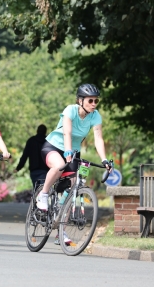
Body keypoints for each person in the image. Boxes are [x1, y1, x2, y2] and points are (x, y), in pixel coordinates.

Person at [36, 84, 112, 243]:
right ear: (80, 100)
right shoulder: (70, 110)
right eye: (90, 100)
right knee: (57, 166)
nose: (93, 104)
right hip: (55, 146)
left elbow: (98, 138)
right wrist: (68, 151)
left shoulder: (95, 116)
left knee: (73, 188)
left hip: (73, 151)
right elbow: (67, 132)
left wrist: (104, 159)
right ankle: (43, 195)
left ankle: (60, 227)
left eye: (96, 101)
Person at [15, 124, 49, 190]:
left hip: (34, 170)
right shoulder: (48, 141)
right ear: (45, 131)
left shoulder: (31, 141)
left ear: (37, 131)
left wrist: (18, 168)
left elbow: (24, 156)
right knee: (44, 188)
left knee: (36, 188)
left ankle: (36, 199)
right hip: (45, 169)